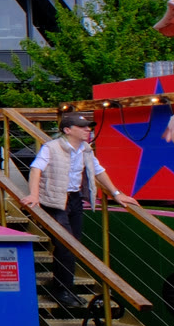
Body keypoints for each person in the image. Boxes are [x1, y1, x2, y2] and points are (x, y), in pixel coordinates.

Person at [22, 113, 136, 306]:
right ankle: (62, 290)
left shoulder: (86, 149)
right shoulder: (51, 147)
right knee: (66, 244)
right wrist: (34, 195)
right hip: (55, 200)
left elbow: (99, 171)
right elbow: (36, 169)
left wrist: (117, 193)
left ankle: (64, 287)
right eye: (82, 127)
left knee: (73, 243)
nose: (88, 129)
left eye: (88, 126)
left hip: (74, 198)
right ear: (67, 130)